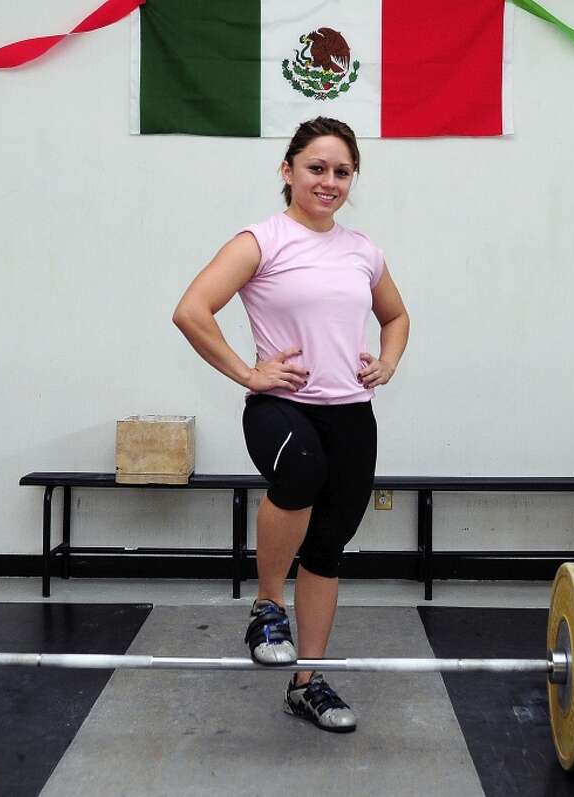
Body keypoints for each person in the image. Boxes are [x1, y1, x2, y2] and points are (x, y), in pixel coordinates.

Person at [172, 117, 409, 733]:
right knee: (299, 469)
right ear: (288, 171)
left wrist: (386, 361)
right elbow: (191, 310)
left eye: (342, 171)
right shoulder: (262, 240)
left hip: (352, 416)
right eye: (317, 168)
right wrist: (248, 374)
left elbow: (397, 316)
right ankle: (266, 604)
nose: (329, 181)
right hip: (283, 408)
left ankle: (306, 684)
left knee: (328, 547)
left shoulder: (363, 251)